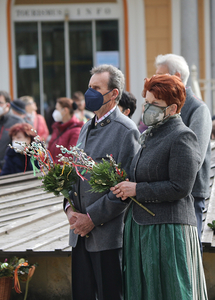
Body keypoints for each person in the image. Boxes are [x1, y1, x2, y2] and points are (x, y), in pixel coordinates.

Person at [111, 74, 208, 300]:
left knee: (173, 291)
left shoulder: (182, 136)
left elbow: (180, 187)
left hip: (169, 230)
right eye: (147, 102)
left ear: (173, 108)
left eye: (155, 104)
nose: (147, 108)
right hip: (142, 227)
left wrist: (137, 189)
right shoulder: (150, 135)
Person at [64, 64, 140, 300]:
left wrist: (92, 218)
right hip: (78, 234)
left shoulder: (126, 130)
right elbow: (73, 173)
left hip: (106, 237)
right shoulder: (86, 126)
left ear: (114, 93)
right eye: (89, 88)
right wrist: (68, 209)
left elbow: (125, 188)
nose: (90, 93)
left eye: (97, 88)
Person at [155, 53, 212, 255]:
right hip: (166, 191)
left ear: (177, 76)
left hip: (190, 193)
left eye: (160, 75)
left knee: (188, 253)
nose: (155, 80)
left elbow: (194, 157)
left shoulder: (198, 109)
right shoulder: (160, 106)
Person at [48, 97, 83, 162]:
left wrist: (55, 167)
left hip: (62, 170)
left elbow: (70, 156)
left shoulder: (76, 131)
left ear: (65, 111)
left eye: (57, 109)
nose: (55, 112)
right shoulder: (57, 127)